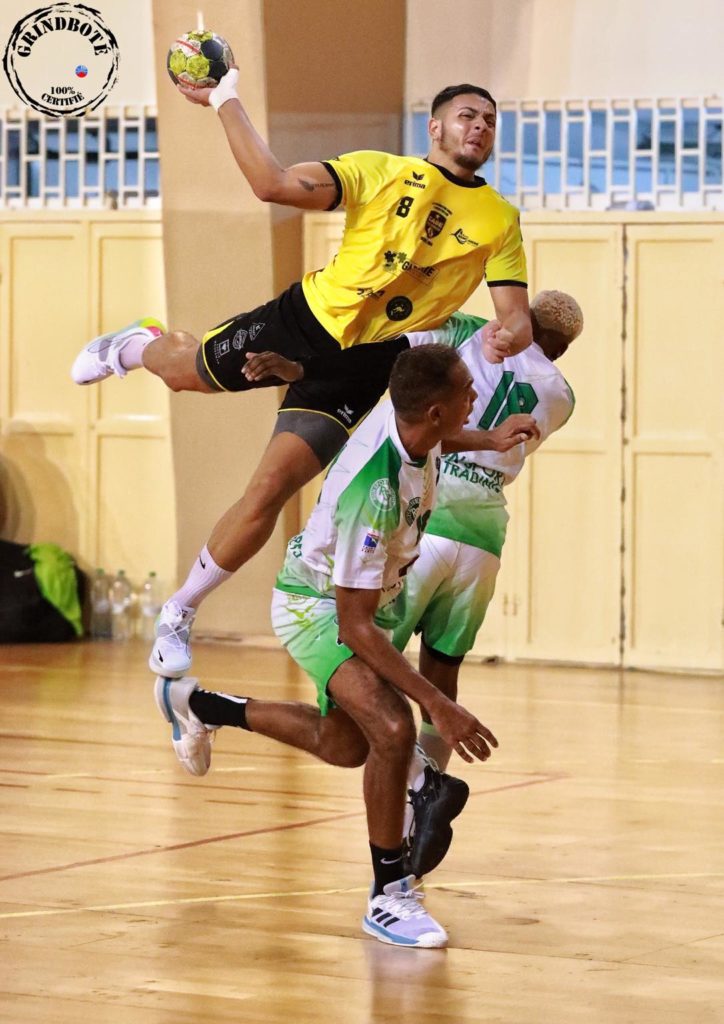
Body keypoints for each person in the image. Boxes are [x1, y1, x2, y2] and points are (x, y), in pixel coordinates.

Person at [70, 70, 532, 679]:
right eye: (468, 115)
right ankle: (135, 345)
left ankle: (179, 612)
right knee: (186, 374)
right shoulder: (379, 170)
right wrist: (224, 97)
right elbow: (273, 185)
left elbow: (517, 317)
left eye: (490, 120)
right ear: (436, 126)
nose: (480, 126)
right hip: (307, 322)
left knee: (269, 490)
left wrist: (509, 335)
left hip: (368, 363)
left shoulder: (498, 218)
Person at [154, 344, 538, 949]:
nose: (477, 397)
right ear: (436, 411)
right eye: (468, 391)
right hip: (317, 608)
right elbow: (354, 626)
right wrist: (438, 703)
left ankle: (198, 706)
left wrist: (487, 440)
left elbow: (441, 440)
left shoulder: (417, 425)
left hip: (359, 604)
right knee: (392, 729)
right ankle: (389, 896)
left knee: (343, 746)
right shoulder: (375, 491)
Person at [392, 291, 584, 878]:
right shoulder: (561, 395)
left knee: (368, 661)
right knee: (442, 666)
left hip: (426, 518)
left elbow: (418, 325)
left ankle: (416, 788)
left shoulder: (472, 331)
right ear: (566, 347)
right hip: (482, 537)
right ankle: (424, 805)